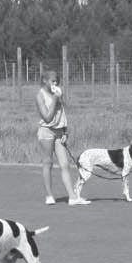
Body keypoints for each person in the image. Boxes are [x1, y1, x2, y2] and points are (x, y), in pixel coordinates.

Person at [35, 71, 81, 205]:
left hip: (59, 132)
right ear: (45, 80)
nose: (55, 84)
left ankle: (72, 197)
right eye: (52, 81)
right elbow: (47, 118)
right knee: (48, 162)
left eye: (57, 81)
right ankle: (49, 196)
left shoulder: (57, 94)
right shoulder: (40, 95)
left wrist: (66, 131)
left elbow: (63, 113)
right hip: (46, 132)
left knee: (65, 164)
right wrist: (55, 99)